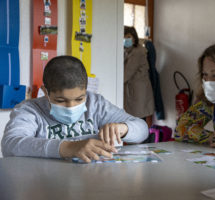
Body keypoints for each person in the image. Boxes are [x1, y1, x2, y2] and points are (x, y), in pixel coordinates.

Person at [1, 56, 148, 163]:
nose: (71, 107)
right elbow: (10, 144)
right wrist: (68, 148)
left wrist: (124, 128)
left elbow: (143, 130)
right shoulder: (30, 110)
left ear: (85, 89)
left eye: (79, 99)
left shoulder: (96, 103)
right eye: (61, 100)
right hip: (46, 182)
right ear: (45, 92)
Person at [123, 26, 155, 128]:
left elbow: (126, 74)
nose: (126, 39)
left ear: (134, 37)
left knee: (138, 121)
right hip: (134, 91)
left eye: (128, 36)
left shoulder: (138, 51)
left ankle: (141, 143)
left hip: (138, 91)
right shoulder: (128, 51)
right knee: (135, 120)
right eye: (123, 36)